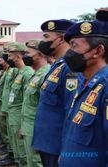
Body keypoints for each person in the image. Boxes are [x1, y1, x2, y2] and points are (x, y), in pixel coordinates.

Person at [32, 19, 84, 167]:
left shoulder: (70, 68)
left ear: (61, 39)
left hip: (58, 146)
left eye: (47, 37)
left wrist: (66, 149)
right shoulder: (57, 65)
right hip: (48, 142)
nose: (43, 41)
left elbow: (71, 110)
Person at [58, 20, 108, 167]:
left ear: (98, 51)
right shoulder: (84, 83)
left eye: (74, 46)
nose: (69, 53)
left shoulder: (105, 87)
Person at [19, 39, 50, 167]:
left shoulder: (46, 75)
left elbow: (47, 110)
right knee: (30, 161)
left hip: (37, 129)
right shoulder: (36, 74)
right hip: (28, 126)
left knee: (37, 163)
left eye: (28, 53)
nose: (24, 57)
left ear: (40, 55)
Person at [6, 42, 34, 166]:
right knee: (18, 146)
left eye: (10, 56)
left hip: (21, 116)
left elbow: (27, 100)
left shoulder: (27, 73)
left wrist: (23, 122)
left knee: (23, 149)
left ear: (17, 57)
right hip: (14, 113)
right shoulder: (18, 72)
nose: (8, 59)